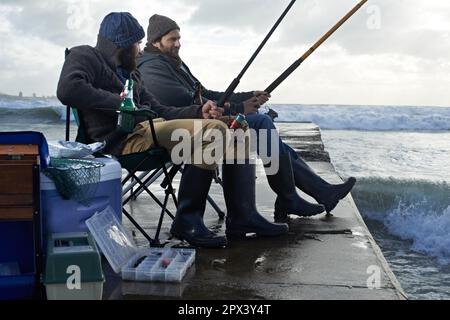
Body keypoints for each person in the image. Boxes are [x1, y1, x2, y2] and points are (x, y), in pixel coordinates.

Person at [57, 12, 288, 248]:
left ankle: (243, 217)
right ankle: (187, 221)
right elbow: (67, 89)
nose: (139, 49)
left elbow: (159, 109)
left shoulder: (133, 73)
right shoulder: (85, 55)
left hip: (153, 130)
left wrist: (200, 112)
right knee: (213, 132)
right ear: (122, 45)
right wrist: (124, 105)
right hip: (123, 140)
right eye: (137, 44)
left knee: (238, 129)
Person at [137, 14, 357, 223]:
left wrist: (249, 96)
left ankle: (315, 193)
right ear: (156, 42)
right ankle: (290, 198)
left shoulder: (174, 63)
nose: (178, 44)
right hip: (185, 131)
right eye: (172, 39)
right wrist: (240, 107)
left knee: (266, 134)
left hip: (200, 123)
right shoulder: (152, 68)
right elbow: (183, 102)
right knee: (261, 125)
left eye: (179, 38)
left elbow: (207, 95)